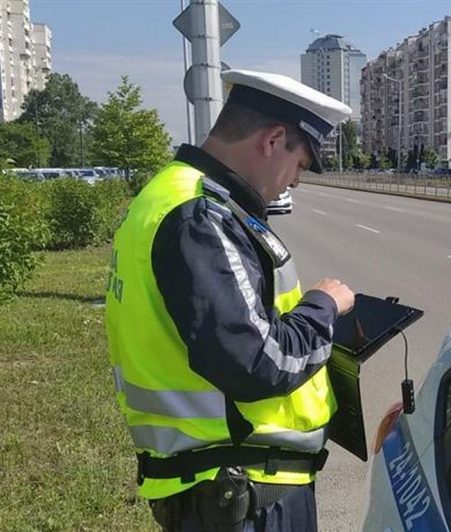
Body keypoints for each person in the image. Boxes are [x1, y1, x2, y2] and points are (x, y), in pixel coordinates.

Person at [104, 69, 356, 531]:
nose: (296, 182)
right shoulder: (200, 214)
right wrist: (323, 306)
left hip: (226, 484)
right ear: (273, 140)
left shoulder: (175, 196)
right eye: (301, 164)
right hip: (240, 495)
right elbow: (258, 362)